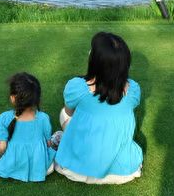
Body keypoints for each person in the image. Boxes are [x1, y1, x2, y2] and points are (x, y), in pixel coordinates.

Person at [52, 32, 143, 185]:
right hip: (124, 170)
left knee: (65, 113)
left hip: (76, 169)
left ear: (95, 61)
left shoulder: (77, 87)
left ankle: (62, 139)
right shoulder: (133, 90)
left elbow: (68, 113)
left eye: (92, 50)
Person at [0, 72, 55, 183]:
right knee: (55, 142)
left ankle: (15, 171)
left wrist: (5, 157)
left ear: (12, 98)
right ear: (37, 98)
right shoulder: (43, 118)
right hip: (38, 163)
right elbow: (48, 143)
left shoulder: (4, 118)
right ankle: (38, 171)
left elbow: (1, 147)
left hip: (14, 163)